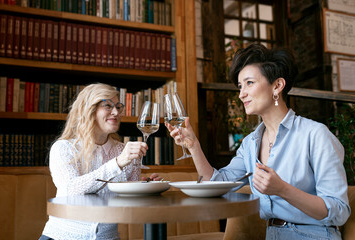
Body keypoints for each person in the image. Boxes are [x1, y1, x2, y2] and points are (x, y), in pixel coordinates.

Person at [166, 44, 350, 239]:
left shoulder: (315, 135)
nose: (241, 93)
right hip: (271, 234)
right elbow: (216, 183)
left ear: (277, 86)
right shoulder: (250, 144)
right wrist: (194, 146)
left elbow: (338, 211)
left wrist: (282, 189)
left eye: (249, 83)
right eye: (240, 86)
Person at [39, 83, 161, 240]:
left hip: (108, 237)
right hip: (62, 236)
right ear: (89, 110)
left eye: (118, 106)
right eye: (108, 106)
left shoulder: (123, 151)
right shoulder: (63, 148)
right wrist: (117, 163)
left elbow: (131, 202)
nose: (116, 112)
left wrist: (146, 186)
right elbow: (70, 190)